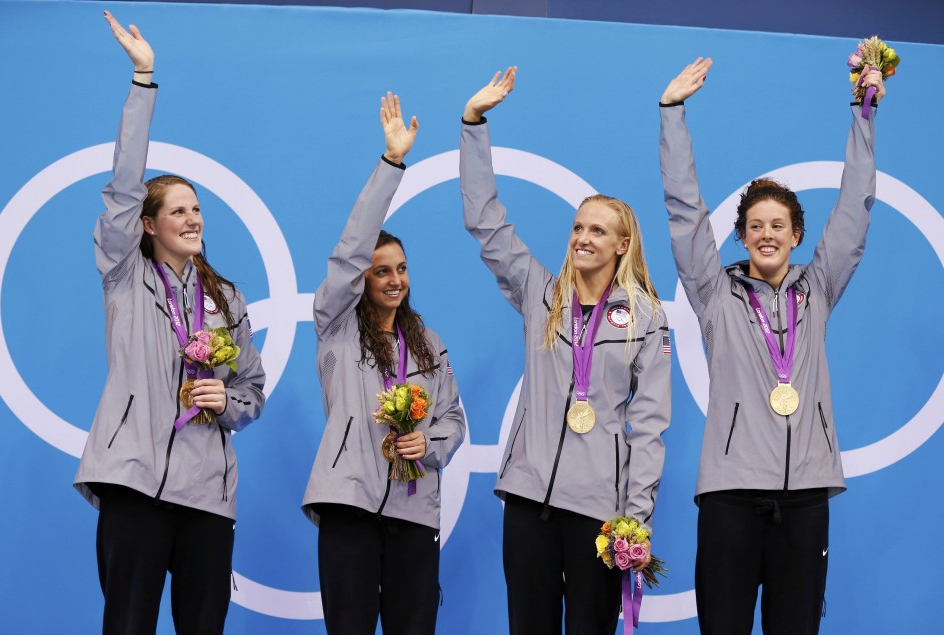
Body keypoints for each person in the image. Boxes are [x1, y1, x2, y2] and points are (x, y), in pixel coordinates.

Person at [658, 57, 885, 634]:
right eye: (754, 226)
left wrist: (865, 113)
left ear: (797, 235)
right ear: (740, 236)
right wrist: (672, 115)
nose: (766, 235)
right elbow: (685, 216)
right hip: (731, 496)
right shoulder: (714, 291)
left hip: (806, 496)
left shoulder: (821, 285)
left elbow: (854, 211)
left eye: (777, 225)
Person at [74, 12, 266, 635]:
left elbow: (252, 391)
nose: (193, 218)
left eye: (198, 208)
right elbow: (122, 188)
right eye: (177, 210)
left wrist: (227, 399)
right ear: (148, 224)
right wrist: (143, 79)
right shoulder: (123, 274)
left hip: (207, 494)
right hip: (134, 486)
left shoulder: (227, 297)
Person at [460, 68, 671, 634]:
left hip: (600, 511)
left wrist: (636, 519)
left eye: (598, 231)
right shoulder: (541, 293)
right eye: (578, 227)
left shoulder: (647, 317)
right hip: (529, 500)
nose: (582, 237)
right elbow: (486, 223)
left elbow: (648, 426)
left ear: (622, 245)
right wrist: (474, 124)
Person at [301, 92, 467, 635]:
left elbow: (453, 421)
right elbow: (350, 248)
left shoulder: (429, 342)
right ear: (361, 280)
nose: (394, 279)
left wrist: (431, 444)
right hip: (349, 505)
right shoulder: (337, 325)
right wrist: (392, 163)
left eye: (400, 268)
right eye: (380, 271)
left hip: (414, 511)